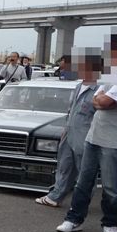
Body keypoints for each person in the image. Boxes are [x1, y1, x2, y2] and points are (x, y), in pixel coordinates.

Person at [57, 30, 117, 232]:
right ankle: (74, 218)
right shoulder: (111, 75)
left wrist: (103, 100)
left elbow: (104, 102)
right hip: (94, 135)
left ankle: (110, 223)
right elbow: (97, 101)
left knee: (111, 186)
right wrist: (102, 100)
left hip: (115, 139)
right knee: (83, 181)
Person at [35, 48, 101, 207]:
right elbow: (72, 111)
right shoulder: (79, 87)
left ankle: (81, 203)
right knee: (64, 166)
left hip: (86, 137)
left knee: (84, 172)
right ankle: (55, 196)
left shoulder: (100, 89)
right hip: (69, 133)